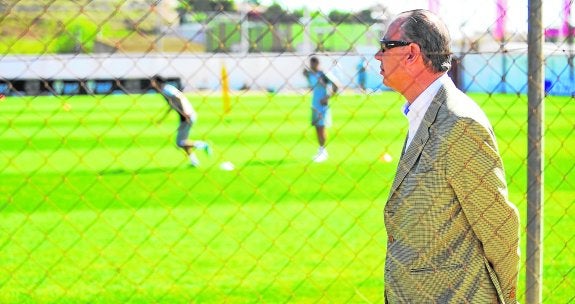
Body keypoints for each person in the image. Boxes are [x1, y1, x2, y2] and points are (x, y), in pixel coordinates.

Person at [374, 10, 520, 303]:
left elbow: (498, 225)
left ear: (411, 54)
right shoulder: (425, 112)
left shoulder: (459, 123)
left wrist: (508, 298)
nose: (378, 56)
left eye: (385, 46)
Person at [151, 75, 210, 167]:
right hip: (185, 115)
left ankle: (202, 145)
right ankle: (194, 161)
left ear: (157, 82)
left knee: (180, 143)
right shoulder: (165, 90)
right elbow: (172, 105)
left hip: (187, 116)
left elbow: (179, 98)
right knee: (183, 142)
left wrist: (185, 112)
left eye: (153, 82)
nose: (152, 84)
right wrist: (162, 119)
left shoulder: (167, 90)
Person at [303, 56, 338, 163]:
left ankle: (323, 151)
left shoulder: (323, 74)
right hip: (314, 104)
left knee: (322, 127)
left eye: (315, 63)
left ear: (318, 63)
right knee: (317, 127)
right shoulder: (311, 74)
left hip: (322, 105)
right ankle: (320, 149)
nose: (313, 65)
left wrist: (327, 97)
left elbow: (336, 85)